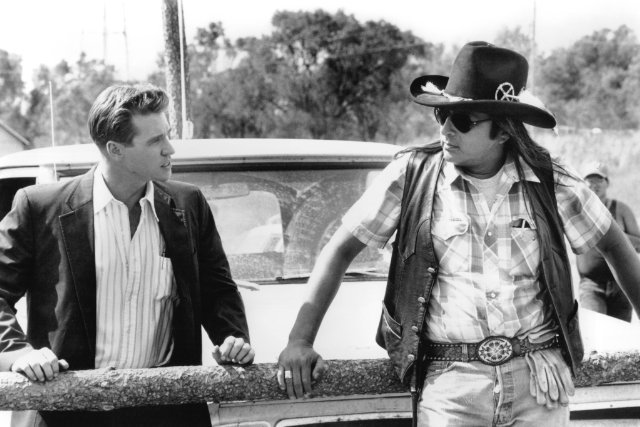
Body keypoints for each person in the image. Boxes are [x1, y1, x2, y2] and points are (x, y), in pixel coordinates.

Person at [276, 41, 640, 426]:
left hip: (539, 380)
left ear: (504, 131)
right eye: (442, 114)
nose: (447, 129)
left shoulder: (551, 181)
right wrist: (300, 340)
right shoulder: (412, 176)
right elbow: (340, 249)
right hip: (450, 385)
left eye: (464, 120)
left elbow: (615, 246)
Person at [0, 84, 254, 427]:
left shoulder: (189, 203)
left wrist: (232, 338)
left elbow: (217, 288)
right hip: (69, 415)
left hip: (169, 413)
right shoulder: (39, 207)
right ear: (115, 149)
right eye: (155, 140)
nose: (170, 148)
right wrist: (16, 352)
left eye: (167, 135)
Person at [577, 161, 640, 322]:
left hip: (622, 285)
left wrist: (614, 236)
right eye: (590, 180)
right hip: (591, 285)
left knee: (620, 334)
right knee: (594, 331)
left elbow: (639, 244)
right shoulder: (575, 209)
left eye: (599, 179)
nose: (594, 184)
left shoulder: (621, 209)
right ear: (582, 183)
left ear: (607, 183)